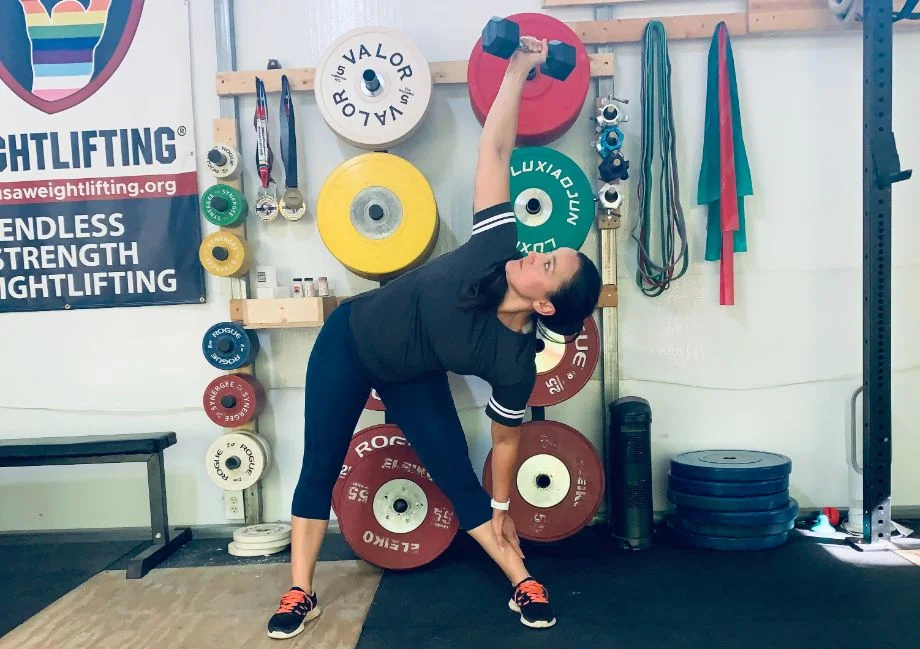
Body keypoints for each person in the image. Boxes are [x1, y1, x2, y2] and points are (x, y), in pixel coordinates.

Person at [265, 36, 602, 640]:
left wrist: (503, 508)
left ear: (546, 302)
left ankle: (522, 581)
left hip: (410, 374)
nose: (538, 251)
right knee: (320, 466)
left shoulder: (514, 362)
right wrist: (520, 69)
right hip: (349, 340)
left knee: (455, 474)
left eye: (548, 262)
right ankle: (300, 591)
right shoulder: (498, 247)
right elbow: (495, 150)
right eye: (548, 249)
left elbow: (504, 445)